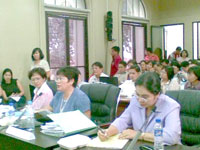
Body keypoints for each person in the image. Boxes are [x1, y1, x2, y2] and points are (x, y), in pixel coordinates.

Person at [98, 72, 181, 145]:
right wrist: (108, 132)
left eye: (145, 97)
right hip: (141, 146)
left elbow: (171, 136)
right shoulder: (135, 100)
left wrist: (140, 135)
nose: (140, 100)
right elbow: (123, 120)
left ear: (157, 94)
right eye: (138, 94)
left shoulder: (171, 106)